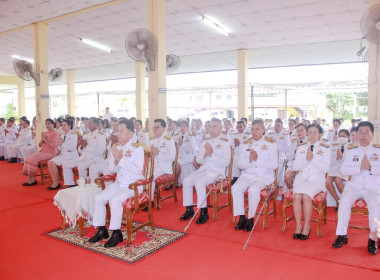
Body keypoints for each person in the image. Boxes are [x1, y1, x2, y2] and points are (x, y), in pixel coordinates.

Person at [89, 119, 145, 248]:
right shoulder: (116, 148)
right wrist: (115, 160)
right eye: (117, 131)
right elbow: (112, 170)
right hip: (119, 183)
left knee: (114, 200)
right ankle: (102, 230)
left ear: (130, 133)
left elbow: (137, 170)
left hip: (133, 184)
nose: (118, 134)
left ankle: (116, 233)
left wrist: (120, 159)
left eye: (121, 131)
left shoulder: (138, 148)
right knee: (98, 198)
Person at [332, 121, 380, 255]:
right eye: (361, 132)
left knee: (376, 204)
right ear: (357, 135)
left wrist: (371, 168)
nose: (363, 135)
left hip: (373, 187)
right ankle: (341, 235)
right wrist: (360, 168)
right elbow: (344, 170)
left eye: (367, 132)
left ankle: (372, 239)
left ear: (372, 135)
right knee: (344, 201)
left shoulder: (378, 150)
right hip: (354, 185)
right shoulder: (351, 150)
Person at [180, 118, 231, 224]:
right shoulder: (206, 141)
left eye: (215, 126)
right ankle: (189, 209)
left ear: (221, 128)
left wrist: (212, 153)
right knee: (186, 180)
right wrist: (205, 154)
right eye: (210, 127)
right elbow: (198, 159)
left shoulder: (225, 142)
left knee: (199, 182)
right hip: (204, 169)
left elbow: (226, 162)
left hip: (217, 171)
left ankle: (204, 212)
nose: (211, 129)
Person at [232, 119, 278, 231]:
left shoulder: (270, 143)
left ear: (263, 130)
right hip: (247, 175)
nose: (254, 131)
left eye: (257, 129)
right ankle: (241, 217)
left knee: (253, 190)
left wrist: (257, 159)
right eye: (252, 129)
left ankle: (250, 218)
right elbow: (239, 164)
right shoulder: (246, 143)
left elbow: (274, 165)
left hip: (262, 176)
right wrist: (249, 160)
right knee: (235, 188)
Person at [292, 124, 330, 240]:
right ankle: (298, 225)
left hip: (316, 181)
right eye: (310, 132)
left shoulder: (325, 148)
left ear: (320, 135)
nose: (312, 135)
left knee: (307, 196)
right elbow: (296, 167)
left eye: (315, 132)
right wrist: (306, 159)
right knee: (297, 196)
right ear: (307, 134)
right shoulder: (301, 147)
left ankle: (307, 226)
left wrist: (313, 158)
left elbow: (326, 169)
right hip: (302, 179)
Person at [62, 117, 106, 187]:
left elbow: (100, 151)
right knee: (65, 164)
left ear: (96, 124)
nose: (88, 125)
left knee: (81, 166)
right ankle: (70, 184)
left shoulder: (101, 136)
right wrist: (82, 147)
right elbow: (80, 150)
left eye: (91, 123)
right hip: (84, 157)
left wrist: (86, 146)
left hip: (95, 158)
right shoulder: (86, 135)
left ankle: (84, 186)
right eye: (88, 123)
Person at [22, 119, 59, 186]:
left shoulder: (55, 133)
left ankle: (33, 179)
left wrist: (45, 139)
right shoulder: (46, 133)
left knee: (33, 159)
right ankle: (29, 178)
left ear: (53, 124)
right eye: (46, 124)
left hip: (51, 153)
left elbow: (53, 146)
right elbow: (40, 145)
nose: (47, 125)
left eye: (49, 124)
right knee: (28, 158)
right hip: (43, 151)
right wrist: (42, 139)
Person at [148, 119, 176, 203]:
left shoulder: (169, 140)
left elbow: (172, 157)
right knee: (141, 175)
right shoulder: (151, 140)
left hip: (164, 167)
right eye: (154, 127)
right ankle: (143, 198)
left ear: (164, 128)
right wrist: (150, 154)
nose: (155, 129)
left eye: (158, 127)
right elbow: (148, 156)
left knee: (150, 177)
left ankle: (150, 201)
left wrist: (158, 153)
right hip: (153, 165)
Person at [47, 119, 78, 190]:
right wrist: (60, 144)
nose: (63, 127)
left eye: (65, 125)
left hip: (71, 155)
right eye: (62, 125)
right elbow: (60, 148)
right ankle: (55, 182)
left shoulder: (73, 135)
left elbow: (72, 148)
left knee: (52, 162)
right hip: (63, 155)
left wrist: (63, 143)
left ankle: (58, 183)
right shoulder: (63, 135)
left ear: (69, 126)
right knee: (50, 162)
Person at [326, 129, 350, 209]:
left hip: (345, 168)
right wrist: (336, 157)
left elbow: (350, 162)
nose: (342, 138)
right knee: (328, 181)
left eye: (344, 136)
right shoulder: (334, 146)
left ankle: (346, 200)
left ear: (348, 137)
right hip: (334, 168)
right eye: (340, 136)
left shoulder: (351, 148)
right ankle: (338, 201)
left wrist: (342, 157)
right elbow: (330, 160)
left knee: (337, 180)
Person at [284, 123, 308, 192]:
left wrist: (300, 150)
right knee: (287, 177)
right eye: (297, 130)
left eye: (301, 130)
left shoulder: (309, 142)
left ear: (306, 132)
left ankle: (301, 193)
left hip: (305, 164)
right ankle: (293, 192)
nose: (299, 132)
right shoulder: (293, 141)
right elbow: (289, 156)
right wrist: (296, 151)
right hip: (294, 163)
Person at [173, 120, 195, 187]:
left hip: (187, 157)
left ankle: (175, 182)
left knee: (177, 165)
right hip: (179, 156)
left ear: (187, 127)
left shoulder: (190, 136)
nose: (182, 128)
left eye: (184, 126)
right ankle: (170, 181)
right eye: (181, 126)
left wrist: (182, 144)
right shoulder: (176, 135)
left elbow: (192, 149)